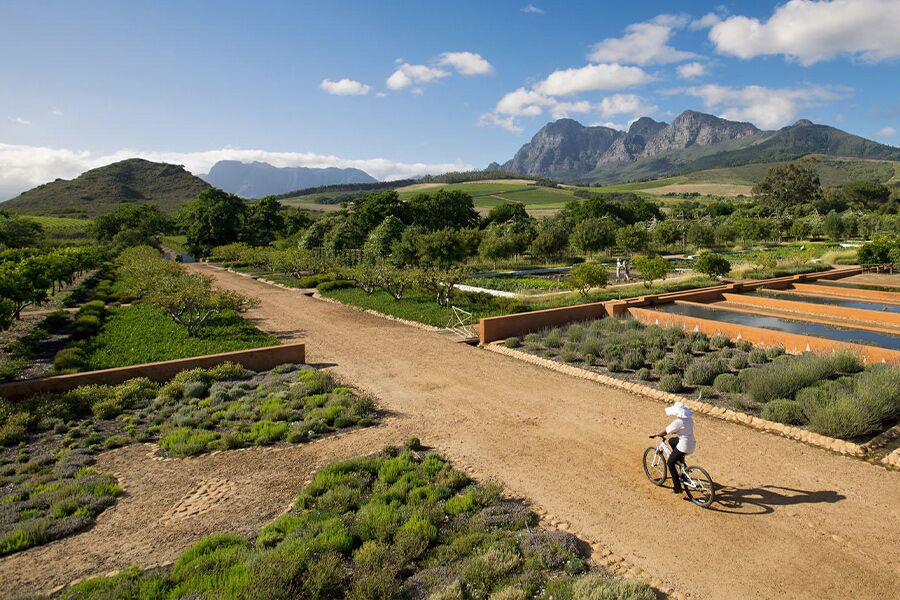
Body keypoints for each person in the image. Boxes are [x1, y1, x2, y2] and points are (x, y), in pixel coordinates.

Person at [653, 401, 696, 494]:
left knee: (670, 463)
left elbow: (665, 431)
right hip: (692, 444)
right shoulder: (689, 419)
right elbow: (684, 429)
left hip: (684, 446)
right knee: (672, 441)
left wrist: (657, 434)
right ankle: (681, 463)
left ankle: (677, 488)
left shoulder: (678, 422)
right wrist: (676, 431)